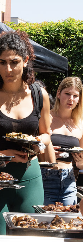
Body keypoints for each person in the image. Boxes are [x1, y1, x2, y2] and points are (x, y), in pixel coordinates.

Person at [0, 30, 51, 235]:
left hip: (30, 176)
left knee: (31, 236)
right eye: (2, 62)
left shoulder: (38, 94)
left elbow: (46, 134)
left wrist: (37, 142)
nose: (8, 69)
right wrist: (0, 154)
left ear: (25, 61)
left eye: (14, 62)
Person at [42, 77, 83, 205]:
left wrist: (81, 163)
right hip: (45, 177)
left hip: (69, 180)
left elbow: (81, 165)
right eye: (67, 94)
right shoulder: (46, 117)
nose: (71, 99)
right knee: (44, 221)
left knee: (69, 222)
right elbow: (32, 150)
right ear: (59, 93)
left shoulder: (80, 123)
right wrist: (47, 153)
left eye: (75, 95)